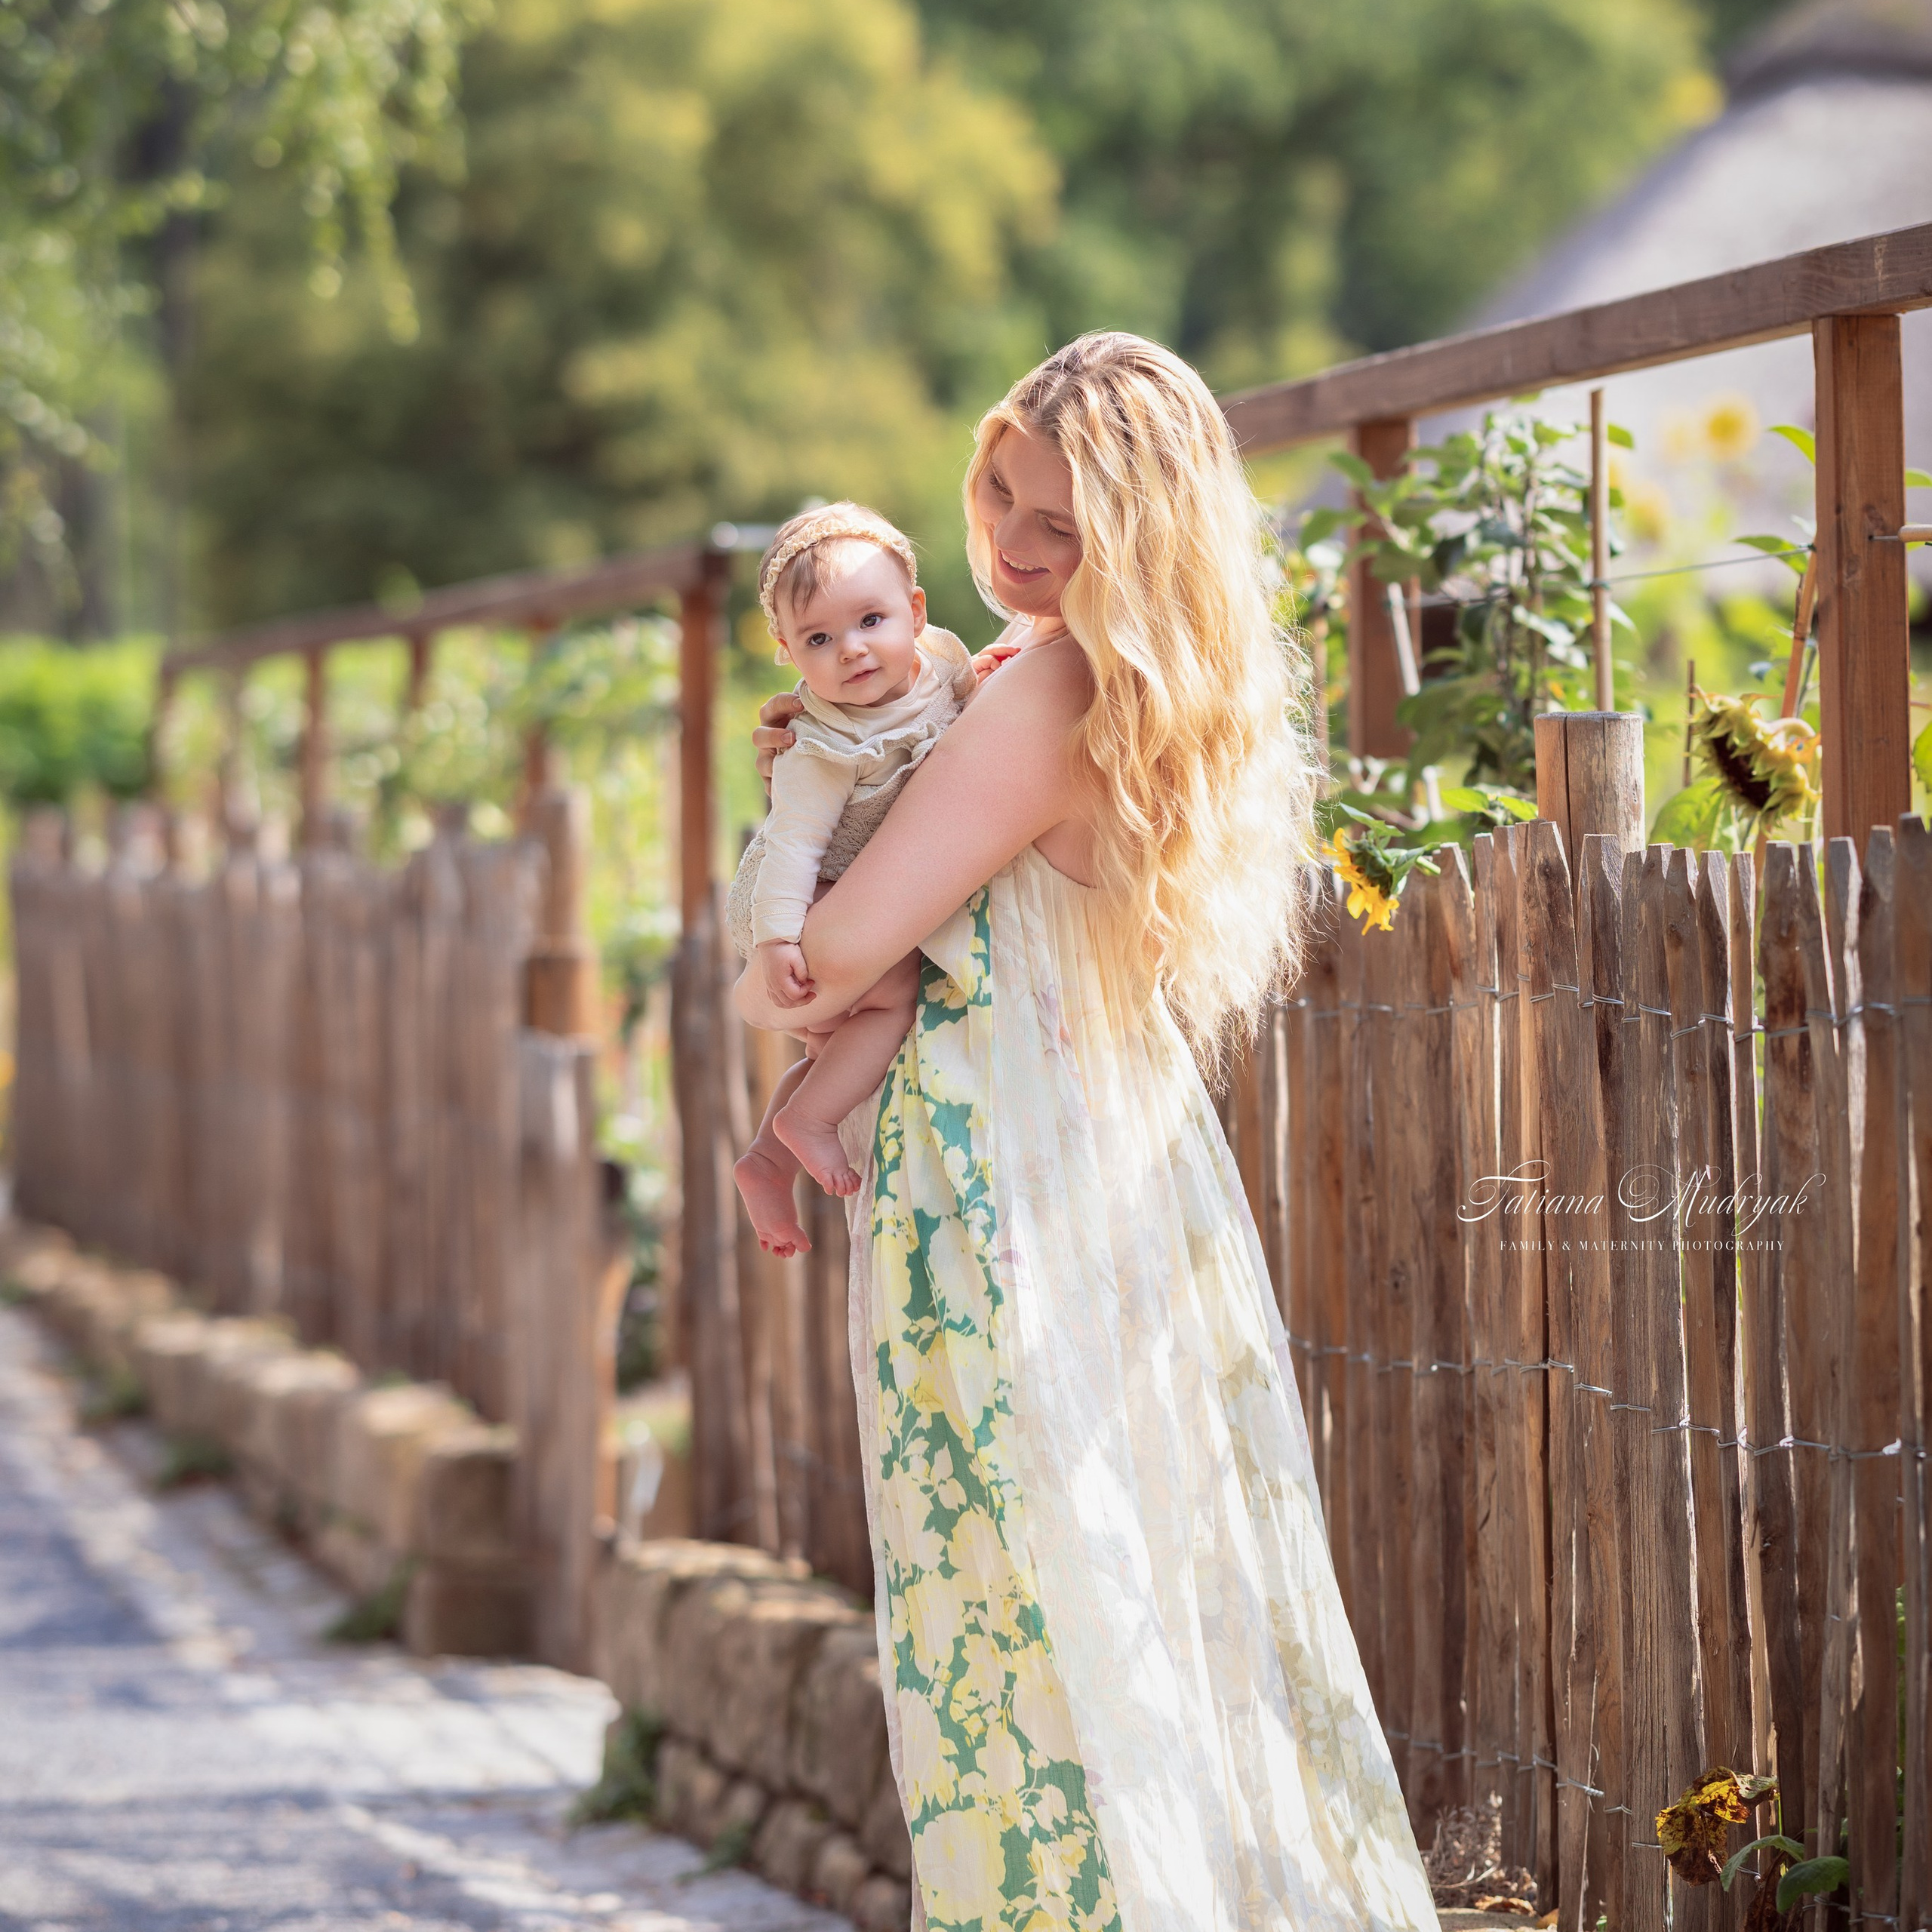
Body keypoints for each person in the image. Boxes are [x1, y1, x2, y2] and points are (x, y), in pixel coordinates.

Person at [738, 333, 1435, 1930]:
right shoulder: (1095, 683)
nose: (1013, 545)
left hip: (1006, 1197)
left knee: (1024, 1623)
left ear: (1141, 535)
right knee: (1138, 1606)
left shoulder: (1041, 688)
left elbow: (821, 969)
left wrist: (807, 830)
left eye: (1059, 521)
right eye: (996, 494)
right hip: (1108, 1180)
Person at [727, 502, 977, 1260]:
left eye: (871, 620)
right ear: (787, 652)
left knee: (834, 1046)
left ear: (916, 612)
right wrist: (775, 939)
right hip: (796, 893)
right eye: (819, 639)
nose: (853, 651)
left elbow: (970, 700)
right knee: (892, 991)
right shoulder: (822, 745)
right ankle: (807, 1124)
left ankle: (768, 1159)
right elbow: (794, 845)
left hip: (836, 888)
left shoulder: (942, 666)